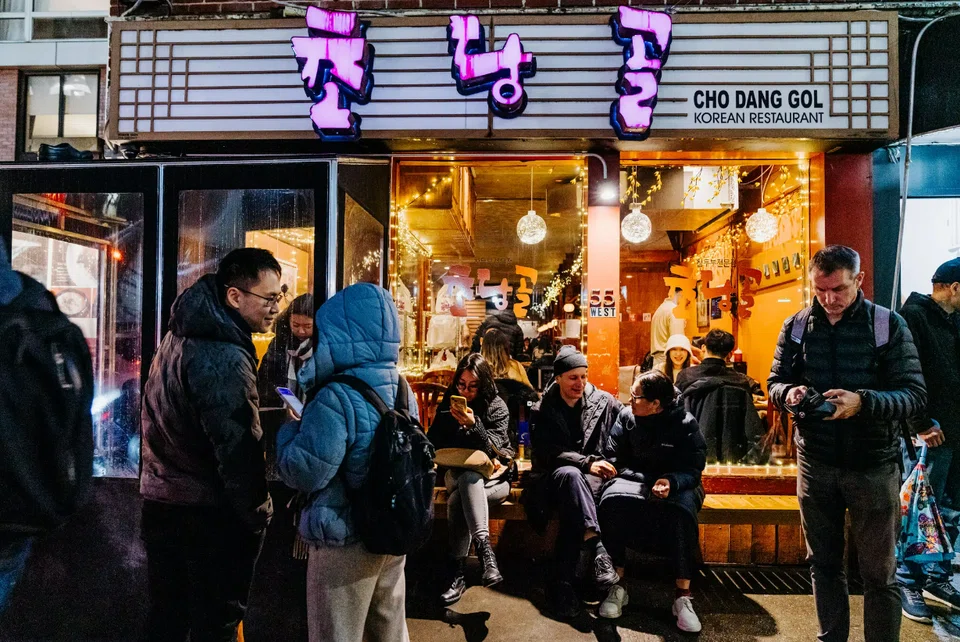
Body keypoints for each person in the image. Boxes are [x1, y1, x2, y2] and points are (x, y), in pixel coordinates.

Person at [768, 245, 926, 642]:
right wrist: (788, 394)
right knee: (823, 563)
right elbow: (773, 382)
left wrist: (864, 402)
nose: (828, 300)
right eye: (819, 290)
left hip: (873, 464)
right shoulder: (798, 325)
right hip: (815, 462)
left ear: (859, 280)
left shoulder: (887, 325)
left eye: (837, 289)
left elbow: (913, 395)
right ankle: (831, 637)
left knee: (879, 572)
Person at [140, 248, 279, 642]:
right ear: (235, 296)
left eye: (279, 296)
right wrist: (257, 513)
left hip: (163, 502)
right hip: (206, 515)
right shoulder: (222, 353)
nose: (275, 308)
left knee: (168, 618)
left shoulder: (179, 335)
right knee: (214, 624)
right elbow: (238, 448)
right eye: (268, 299)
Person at [276, 283, 417, 642]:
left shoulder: (336, 394)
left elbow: (305, 473)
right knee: (388, 631)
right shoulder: (402, 387)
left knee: (336, 634)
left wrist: (289, 432)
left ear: (338, 332)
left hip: (344, 537)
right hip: (391, 527)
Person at [599, 370, 706, 632]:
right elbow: (613, 457)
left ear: (656, 403)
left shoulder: (685, 423)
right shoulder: (627, 418)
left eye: (635, 396)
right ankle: (617, 584)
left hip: (678, 482)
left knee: (681, 511)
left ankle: (682, 596)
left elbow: (694, 469)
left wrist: (670, 481)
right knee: (613, 501)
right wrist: (644, 480)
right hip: (634, 479)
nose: (629, 401)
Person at [524, 346, 622, 618]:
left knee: (575, 506)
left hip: (590, 482)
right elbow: (547, 453)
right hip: (551, 480)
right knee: (570, 477)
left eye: (583, 376)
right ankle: (598, 551)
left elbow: (627, 426)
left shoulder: (603, 402)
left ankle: (563, 585)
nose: (580, 383)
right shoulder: (542, 408)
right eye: (573, 378)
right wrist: (586, 463)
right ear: (557, 378)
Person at [896, 257, 960, 623]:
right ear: (954, 288)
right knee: (917, 509)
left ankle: (938, 576)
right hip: (930, 433)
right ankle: (907, 580)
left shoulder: (953, 321)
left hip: (955, 432)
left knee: (948, 510)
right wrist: (918, 423)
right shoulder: (914, 317)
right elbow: (904, 376)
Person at [429, 353, 515, 605]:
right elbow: (435, 441)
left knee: (461, 494)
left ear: (484, 384)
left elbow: (496, 449)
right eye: (461, 385)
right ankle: (485, 554)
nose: (466, 392)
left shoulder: (496, 406)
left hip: (494, 482)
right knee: (465, 479)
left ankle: (457, 574)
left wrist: (473, 425)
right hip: (454, 475)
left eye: (473, 386)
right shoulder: (448, 404)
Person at [677, 329, 765, 464]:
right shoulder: (741, 381)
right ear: (729, 354)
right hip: (733, 453)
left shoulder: (686, 377)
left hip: (691, 453)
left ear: (703, 348)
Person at [258, 293, 314, 406]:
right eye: (295, 325)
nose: (301, 331)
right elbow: (265, 380)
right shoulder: (279, 343)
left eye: (307, 326)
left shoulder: (323, 348)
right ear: (288, 321)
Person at [650, 287, 685, 368]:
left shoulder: (661, 308)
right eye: (689, 300)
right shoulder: (676, 311)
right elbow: (678, 342)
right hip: (668, 359)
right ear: (682, 294)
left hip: (657, 358)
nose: (688, 304)